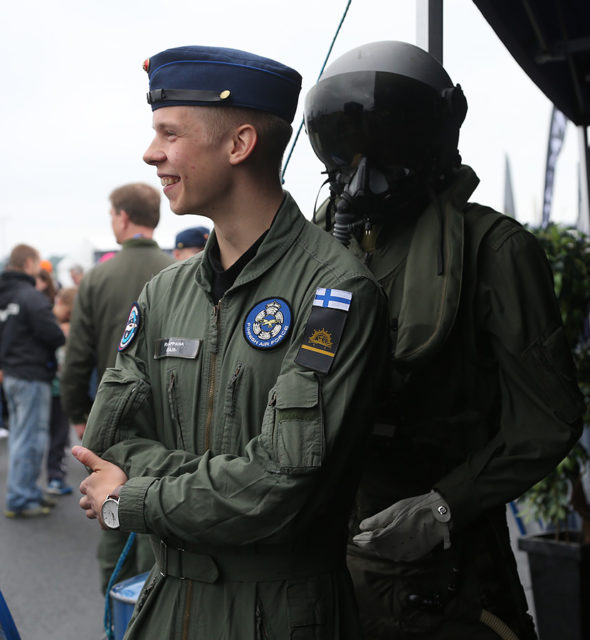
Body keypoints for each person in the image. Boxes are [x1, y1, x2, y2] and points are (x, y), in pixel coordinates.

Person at [72, 44, 388, 639]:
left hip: (277, 616)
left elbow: (279, 488)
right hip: (167, 607)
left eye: (169, 133)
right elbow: (105, 443)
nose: (150, 153)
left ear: (239, 144)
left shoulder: (335, 292)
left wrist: (138, 497)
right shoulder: (164, 293)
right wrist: (220, 482)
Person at [303, 41, 585, 640]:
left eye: (384, 142)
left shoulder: (493, 251)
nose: (361, 173)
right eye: (346, 145)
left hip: (446, 574)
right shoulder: (317, 251)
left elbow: (547, 418)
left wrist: (446, 505)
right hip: (328, 565)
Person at [61, 182, 174, 592]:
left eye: (112, 214)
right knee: (161, 536)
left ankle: (117, 621)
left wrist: (78, 415)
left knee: (113, 531)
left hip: (112, 430)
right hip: (170, 431)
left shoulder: (97, 278)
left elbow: (76, 359)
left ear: (123, 217)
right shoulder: (179, 272)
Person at [0, 244, 65, 518]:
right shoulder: (30, 296)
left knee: (19, 437)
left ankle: (23, 492)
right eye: (37, 263)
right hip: (31, 375)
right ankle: (22, 497)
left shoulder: (5, 295)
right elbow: (53, 334)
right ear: (28, 263)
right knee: (30, 439)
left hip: (11, 374)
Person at [46, 286, 78, 496]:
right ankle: (55, 478)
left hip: (49, 387)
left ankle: (55, 477)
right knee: (59, 437)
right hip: (58, 390)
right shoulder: (65, 330)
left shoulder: (48, 322)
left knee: (53, 436)